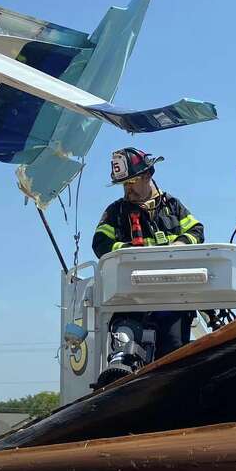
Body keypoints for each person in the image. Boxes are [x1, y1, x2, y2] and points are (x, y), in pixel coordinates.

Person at [92, 147, 204, 384]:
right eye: (123, 184)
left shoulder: (173, 206)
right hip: (131, 297)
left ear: (147, 175)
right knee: (125, 342)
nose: (127, 189)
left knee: (174, 354)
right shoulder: (116, 211)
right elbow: (100, 243)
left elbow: (196, 230)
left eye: (131, 182)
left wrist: (181, 243)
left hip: (172, 298)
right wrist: (129, 252)